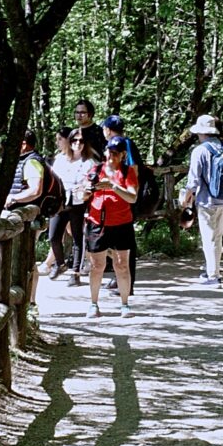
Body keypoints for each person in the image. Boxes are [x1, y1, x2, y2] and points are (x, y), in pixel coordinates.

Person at [180, 112, 223, 286]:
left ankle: (213, 276)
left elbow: (193, 181)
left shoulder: (199, 151)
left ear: (202, 132)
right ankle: (212, 271)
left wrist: (186, 199)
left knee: (208, 238)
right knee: (218, 236)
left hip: (207, 200)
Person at [84, 136, 141, 317]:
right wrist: (86, 193)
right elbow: (83, 196)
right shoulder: (95, 170)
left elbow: (132, 197)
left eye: (116, 153)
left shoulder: (128, 172)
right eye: (109, 151)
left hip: (122, 224)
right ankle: (93, 304)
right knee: (97, 265)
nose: (111, 156)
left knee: (122, 265)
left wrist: (113, 186)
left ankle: (124, 305)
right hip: (96, 223)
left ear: (123, 154)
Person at [45, 128, 93, 280]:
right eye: (74, 140)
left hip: (77, 202)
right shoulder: (60, 159)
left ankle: (76, 272)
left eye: (81, 141)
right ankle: (60, 263)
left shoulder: (88, 161)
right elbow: (53, 178)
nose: (77, 144)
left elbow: (90, 181)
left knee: (77, 237)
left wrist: (84, 186)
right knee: (53, 236)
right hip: (60, 202)